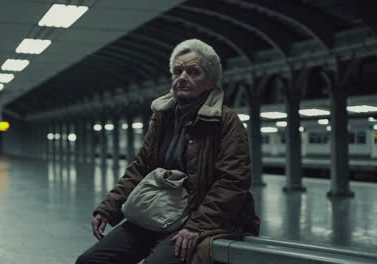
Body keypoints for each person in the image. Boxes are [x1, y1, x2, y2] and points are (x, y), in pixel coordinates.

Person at [76, 39, 259, 264]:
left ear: (211, 81)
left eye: (193, 72)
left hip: (201, 218)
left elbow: (233, 181)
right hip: (158, 210)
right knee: (92, 261)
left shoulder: (226, 121)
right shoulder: (163, 116)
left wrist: (196, 226)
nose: (183, 77)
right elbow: (141, 166)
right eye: (177, 71)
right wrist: (109, 208)